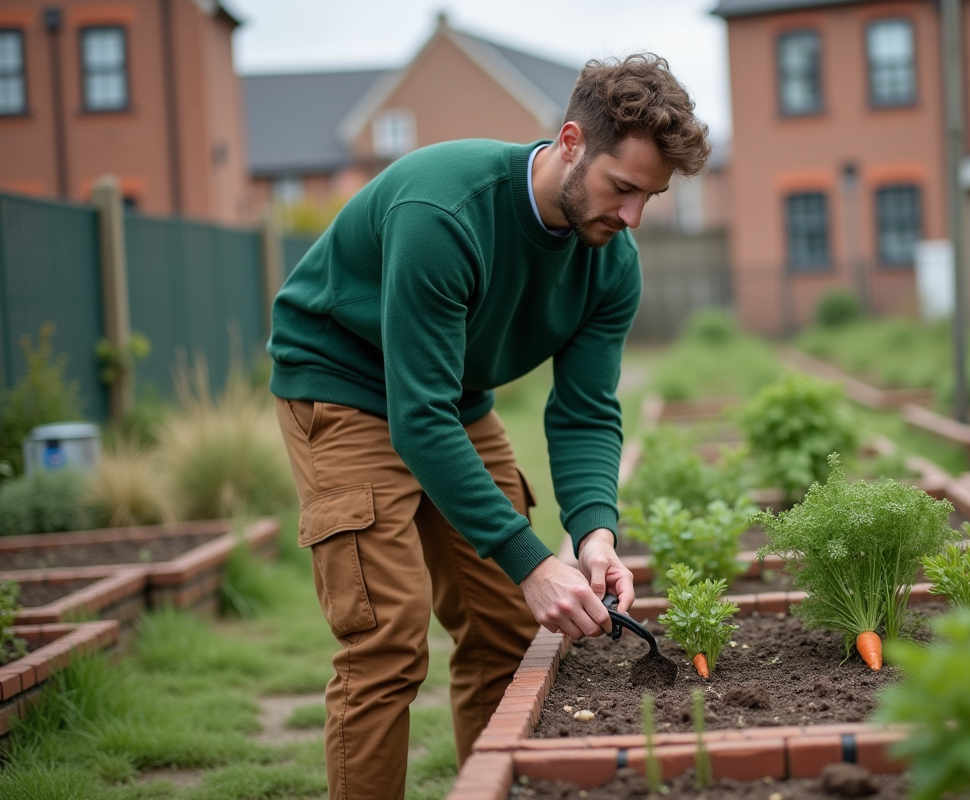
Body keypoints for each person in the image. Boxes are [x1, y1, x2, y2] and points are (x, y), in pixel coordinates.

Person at [268, 52, 710, 799]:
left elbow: (585, 410)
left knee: (508, 633)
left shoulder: (611, 261)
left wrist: (595, 533)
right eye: (623, 189)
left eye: (651, 198)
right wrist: (533, 562)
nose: (632, 217)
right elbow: (416, 417)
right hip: (344, 387)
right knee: (387, 641)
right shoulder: (445, 211)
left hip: (452, 398)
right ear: (572, 142)